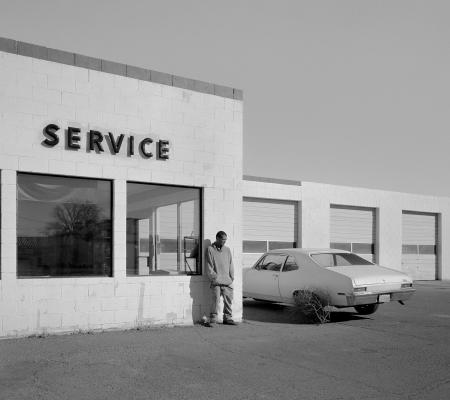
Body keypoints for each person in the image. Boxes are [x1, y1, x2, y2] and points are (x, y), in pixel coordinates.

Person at [205, 231, 237, 325]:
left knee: (228, 300)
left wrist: (231, 277)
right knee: (215, 300)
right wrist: (214, 278)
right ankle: (213, 319)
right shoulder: (210, 249)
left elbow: (231, 264)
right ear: (217, 238)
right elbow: (209, 266)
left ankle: (227, 318)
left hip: (227, 280)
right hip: (216, 281)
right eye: (223, 239)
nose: (224, 241)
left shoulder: (227, 250)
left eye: (225, 239)